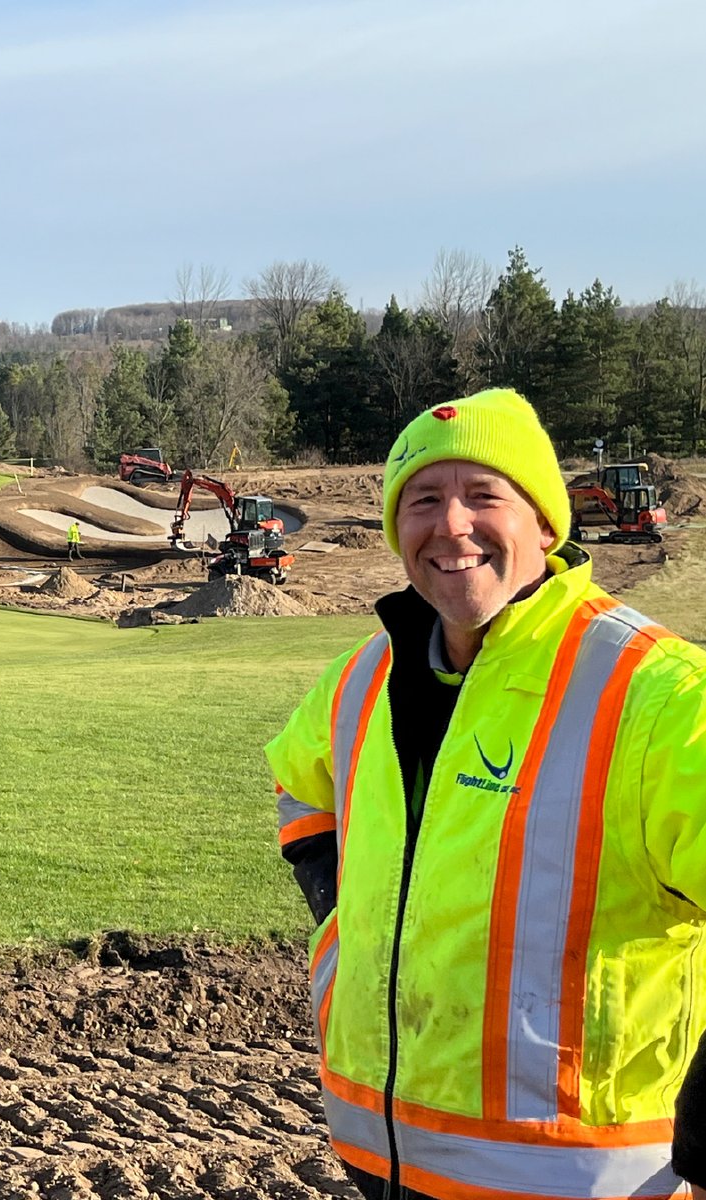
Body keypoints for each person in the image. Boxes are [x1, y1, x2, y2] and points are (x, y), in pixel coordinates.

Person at [265, 387, 706, 1200]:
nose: (451, 525)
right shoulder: (364, 676)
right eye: (423, 500)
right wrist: (342, 927)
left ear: (545, 522)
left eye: (484, 495)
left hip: (584, 1180)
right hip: (380, 1153)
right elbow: (302, 789)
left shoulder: (660, 694)